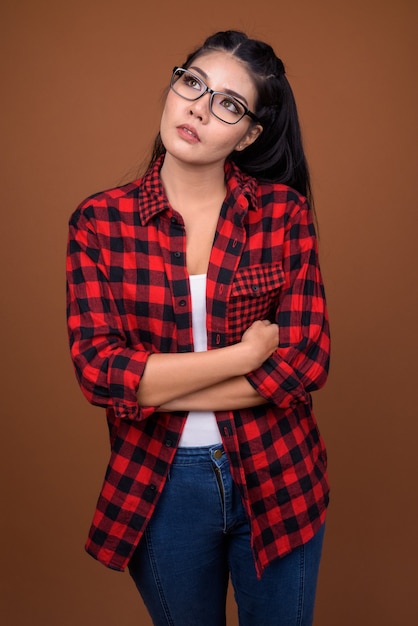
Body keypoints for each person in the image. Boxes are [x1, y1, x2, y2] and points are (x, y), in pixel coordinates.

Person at [66, 29, 330, 626]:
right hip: (160, 486)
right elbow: (102, 375)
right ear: (174, 83)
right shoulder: (98, 223)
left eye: (229, 105)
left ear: (250, 133)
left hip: (279, 472)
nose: (198, 109)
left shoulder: (280, 214)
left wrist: (155, 389)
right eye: (192, 83)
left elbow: (307, 362)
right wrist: (243, 357)